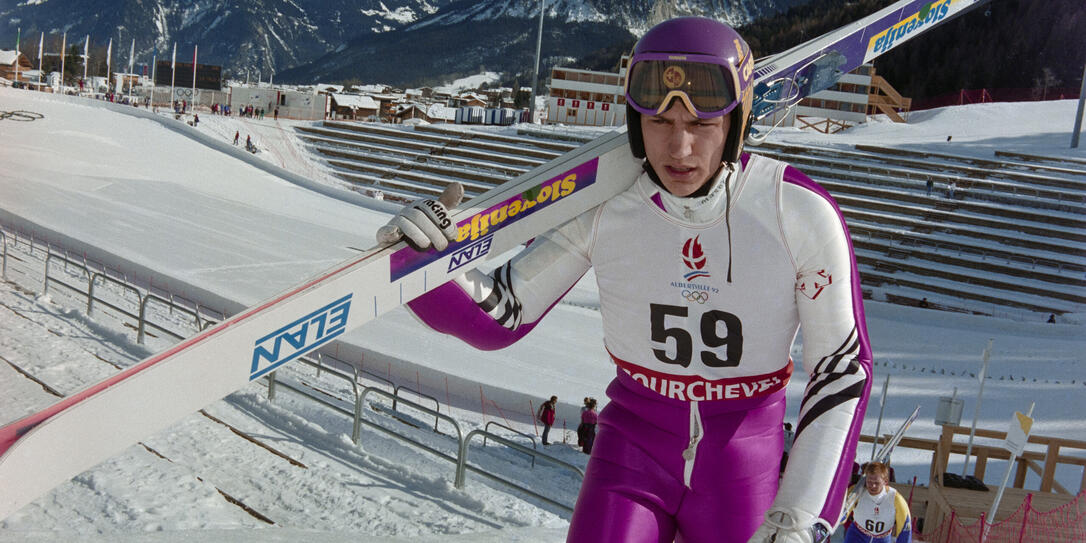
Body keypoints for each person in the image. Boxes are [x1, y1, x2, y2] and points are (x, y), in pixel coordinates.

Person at [377, 16, 871, 543]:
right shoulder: (608, 206)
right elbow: (505, 313)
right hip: (634, 450)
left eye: (701, 125)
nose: (678, 149)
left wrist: (797, 518)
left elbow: (841, 369)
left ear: (736, 123)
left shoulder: (794, 212)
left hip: (743, 462)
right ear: (636, 123)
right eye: (659, 123)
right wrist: (422, 266)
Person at [843, 462, 911, 543]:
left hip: (882, 539)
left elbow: (905, 527)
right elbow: (842, 513)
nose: (873, 486)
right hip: (857, 535)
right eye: (869, 482)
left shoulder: (895, 498)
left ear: (885, 481)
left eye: (876, 483)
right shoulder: (857, 491)